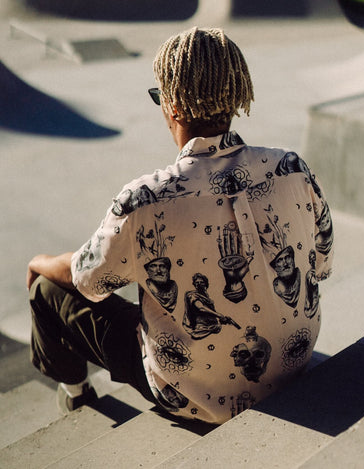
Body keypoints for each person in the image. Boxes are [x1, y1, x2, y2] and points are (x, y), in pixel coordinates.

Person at [27, 27, 334, 424]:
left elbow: (86, 280)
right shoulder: (292, 169)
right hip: (293, 366)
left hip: (194, 398)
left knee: (46, 290)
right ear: (236, 93)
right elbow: (322, 264)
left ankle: (76, 395)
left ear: (171, 105)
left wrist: (40, 262)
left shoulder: (143, 201)